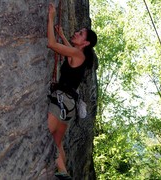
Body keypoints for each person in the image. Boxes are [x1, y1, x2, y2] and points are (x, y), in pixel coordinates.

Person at [47, 3, 97, 179]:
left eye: (80, 33)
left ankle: (63, 173)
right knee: (57, 142)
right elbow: (70, 54)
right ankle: (64, 172)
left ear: (85, 42)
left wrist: (51, 16)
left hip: (61, 102)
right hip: (69, 105)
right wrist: (62, 35)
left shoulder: (78, 55)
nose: (76, 32)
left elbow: (52, 44)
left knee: (46, 136)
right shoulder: (79, 55)